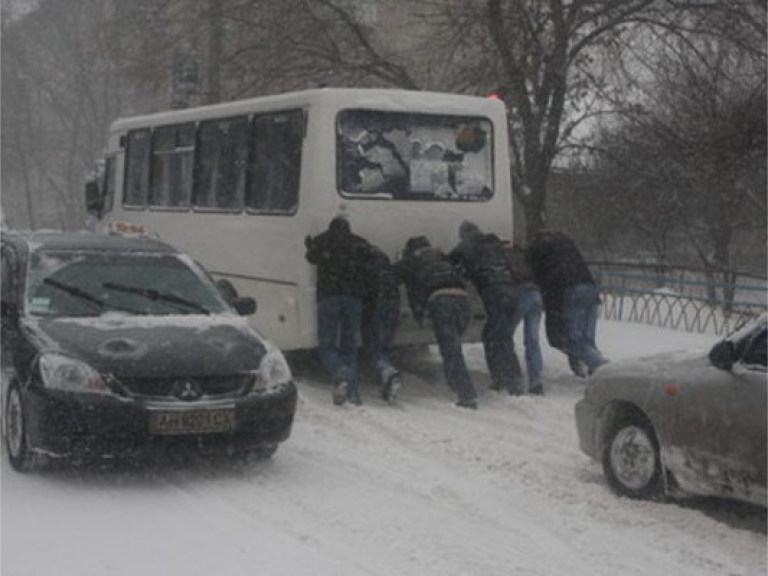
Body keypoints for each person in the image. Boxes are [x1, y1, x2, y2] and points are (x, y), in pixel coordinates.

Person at [449, 221, 543, 395]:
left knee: (497, 337)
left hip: (494, 291)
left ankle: (509, 380)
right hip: (512, 289)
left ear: (464, 235)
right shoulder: (494, 242)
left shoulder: (465, 246)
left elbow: (449, 262)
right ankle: (503, 377)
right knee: (499, 335)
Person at [393, 236, 478, 409]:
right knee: (453, 347)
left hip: (442, 301)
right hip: (463, 301)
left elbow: (402, 281)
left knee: (451, 350)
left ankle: (466, 394)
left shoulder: (412, 260)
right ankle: (455, 384)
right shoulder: (442, 257)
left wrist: (418, 312)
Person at [305, 215, 372, 406]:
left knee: (327, 345)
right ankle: (353, 394)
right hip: (354, 299)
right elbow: (370, 261)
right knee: (349, 346)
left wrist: (310, 246)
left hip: (329, 297)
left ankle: (338, 371)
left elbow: (311, 258)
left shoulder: (322, 240)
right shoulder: (360, 243)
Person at [527, 229, 608, 376]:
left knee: (571, 337)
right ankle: (588, 369)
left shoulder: (539, 251)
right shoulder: (566, 245)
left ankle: (603, 368)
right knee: (586, 337)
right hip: (590, 287)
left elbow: (542, 277)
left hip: (570, 291)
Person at [361, 245, 402, 402]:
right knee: (388, 343)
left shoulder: (368, 270)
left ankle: (387, 371)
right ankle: (390, 376)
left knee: (372, 344)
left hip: (377, 305)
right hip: (394, 304)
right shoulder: (390, 273)